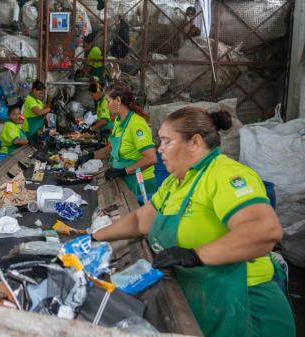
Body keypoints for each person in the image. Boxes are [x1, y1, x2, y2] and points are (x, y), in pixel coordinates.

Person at [91, 107, 296, 337]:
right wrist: (92, 238)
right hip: (205, 301)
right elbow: (140, 220)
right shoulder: (175, 182)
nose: (159, 149)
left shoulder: (225, 175)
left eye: (167, 141)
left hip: (246, 308)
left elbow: (264, 231)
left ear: (195, 142)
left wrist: (196, 255)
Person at [81, 82, 157, 196]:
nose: (107, 105)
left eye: (108, 101)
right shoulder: (118, 121)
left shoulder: (136, 124)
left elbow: (151, 158)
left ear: (118, 100)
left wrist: (124, 171)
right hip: (125, 178)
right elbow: (112, 149)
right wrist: (91, 155)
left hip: (140, 183)